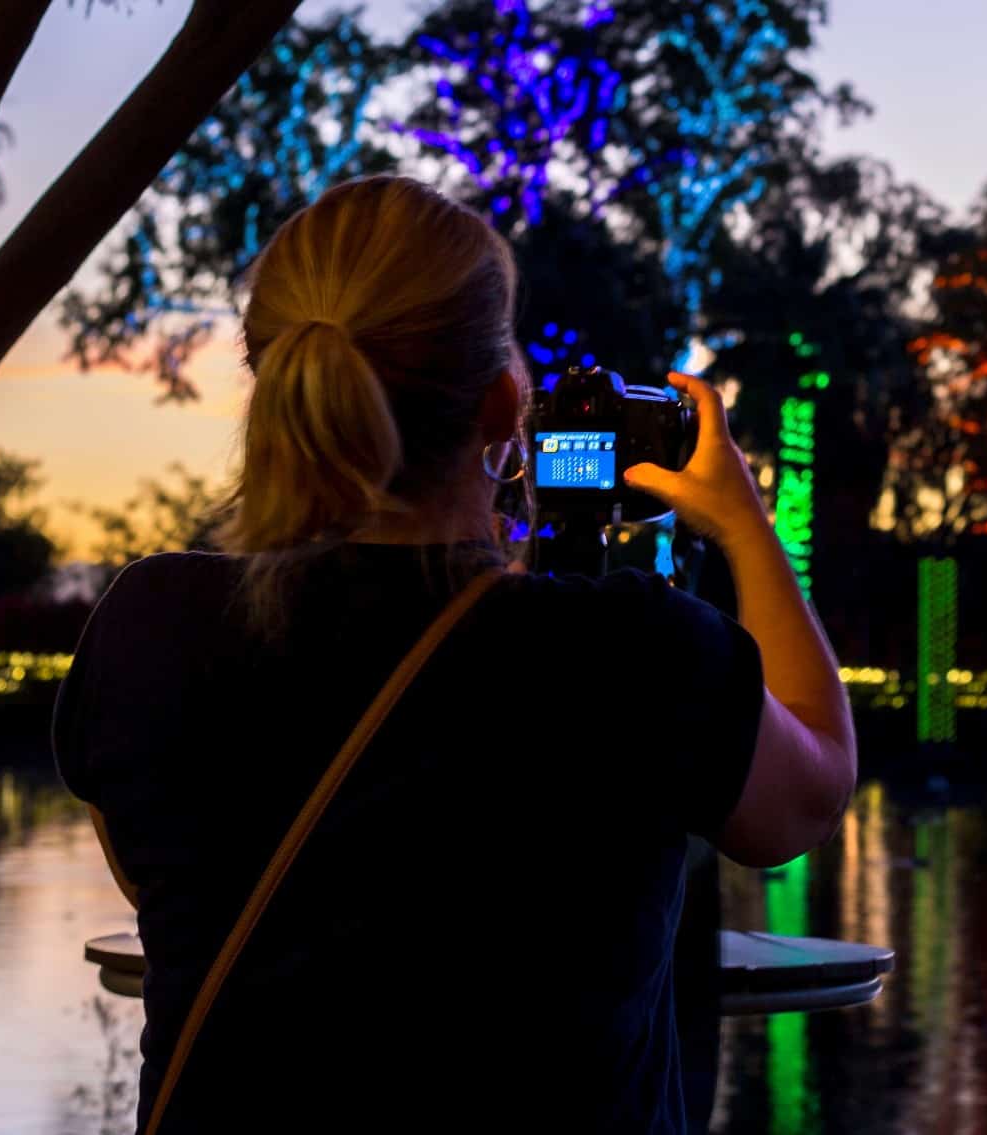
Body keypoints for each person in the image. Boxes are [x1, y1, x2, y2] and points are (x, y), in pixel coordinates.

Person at [53, 175, 856, 1133]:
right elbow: (810, 787)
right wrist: (740, 520)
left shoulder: (149, 620)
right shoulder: (623, 651)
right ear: (503, 404)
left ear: (276, 385)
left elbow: (164, 884)